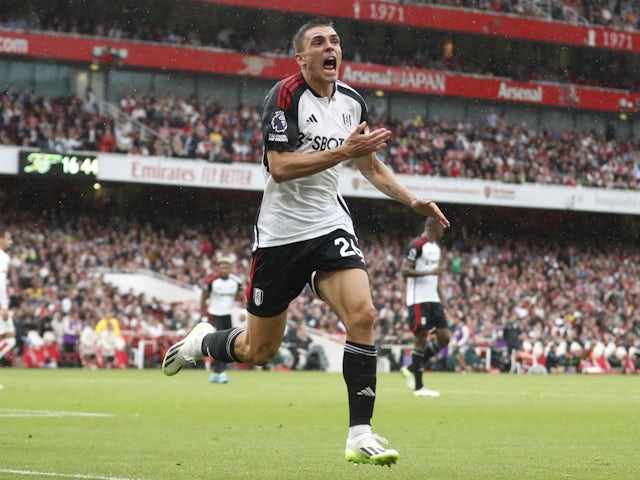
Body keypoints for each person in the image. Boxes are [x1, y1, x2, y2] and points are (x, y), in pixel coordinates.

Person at [162, 17, 449, 467]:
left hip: (330, 226)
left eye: (335, 41)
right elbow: (279, 166)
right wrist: (343, 154)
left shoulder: (352, 102)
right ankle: (202, 342)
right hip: (279, 237)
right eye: (319, 42)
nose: (330, 47)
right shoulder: (284, 96)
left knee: (364, 314)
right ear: (302, 58)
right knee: (259, 351)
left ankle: (360, 434)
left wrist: (412, 200)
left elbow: (369, 165)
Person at [400, 217, 451, 397]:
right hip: (418, 299)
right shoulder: (417, 244)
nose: (443, 230)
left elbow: (435, 277)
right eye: (441, 226)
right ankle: (419, 387)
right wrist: (429, 272)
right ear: (432, 226)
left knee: (445, 337)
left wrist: (442, 298)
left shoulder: (436, 248)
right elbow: (404, 271)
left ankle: (411, 367)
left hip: (433, 299)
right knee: (421, 337)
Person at [200, 256, 244, 383]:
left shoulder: (236, 282)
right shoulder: (211, 282)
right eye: (222, 266)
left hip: (228, 316)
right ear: (217, 268)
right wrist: (203, 316)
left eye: (227, 267)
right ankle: (221, 372)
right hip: (214, 315)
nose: (224, 269)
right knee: (220, 343)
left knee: (225, 344)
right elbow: (203, 299)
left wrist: (242, 311)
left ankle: (216, 372)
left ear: (230, 268)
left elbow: (243, 298)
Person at [0, 228, 16, 366]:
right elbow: (0, 281)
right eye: (8, 238)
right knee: (10, 340)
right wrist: (4, 306)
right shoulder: (2, 257)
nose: (11, 242)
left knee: (6, 338)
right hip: (0, 305)